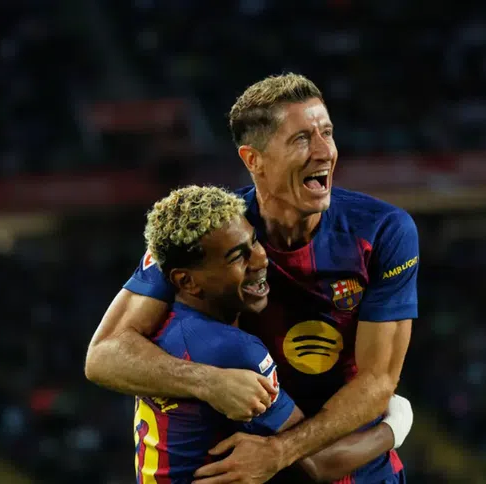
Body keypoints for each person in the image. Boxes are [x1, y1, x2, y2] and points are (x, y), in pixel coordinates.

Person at [86, 73, 419, 483]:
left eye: (327, 133)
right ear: (253, 160)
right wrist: (209, 383)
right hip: (258, 463)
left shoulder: (383, 231)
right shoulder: (211, 233)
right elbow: (104, 355)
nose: (324, 151)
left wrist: (281, 451)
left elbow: (378, 381)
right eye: (301, 138)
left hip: (347, 463)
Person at [133, 185, 413, 483]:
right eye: (237, 257)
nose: (260, 259)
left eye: (254, 241)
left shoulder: (155, 332)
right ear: (187, 281)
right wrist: (396, 425)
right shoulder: (235, 352)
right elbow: (320, 464)